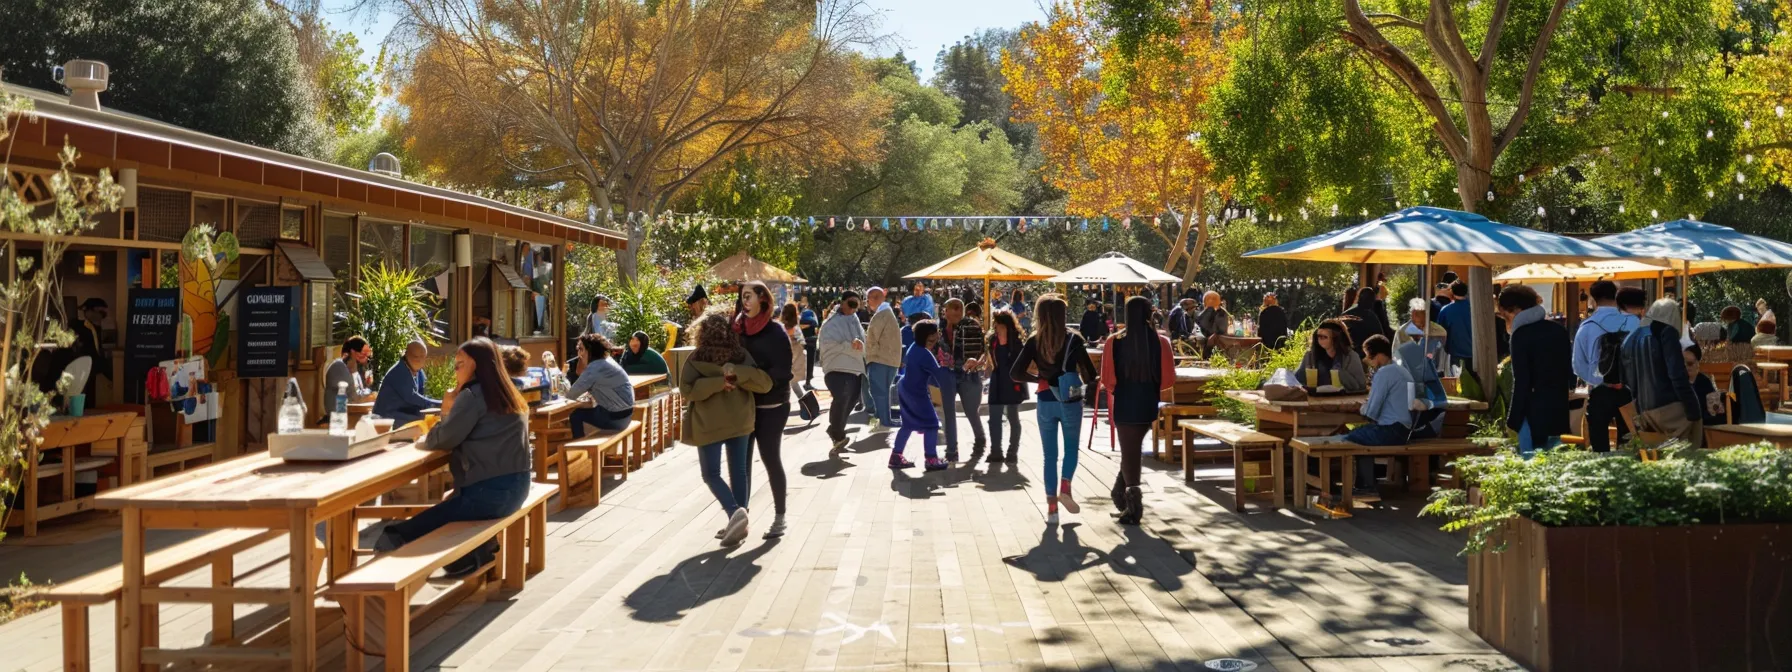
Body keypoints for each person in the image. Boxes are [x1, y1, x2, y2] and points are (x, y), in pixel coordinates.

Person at [374, 338, 531, 578]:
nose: (455, 370)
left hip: (488, 495)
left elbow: (441, 439)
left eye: (459, 364)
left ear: (476, 365)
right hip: (517, 489)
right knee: (449, 502)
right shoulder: (508, 392)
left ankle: (378, 596)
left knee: (395, 534)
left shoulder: (472, 396)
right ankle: (473, 554)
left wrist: (446, 409)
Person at [680, 310, 773, 546]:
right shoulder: (741, 355)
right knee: (739, 471)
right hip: (740, 420)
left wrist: (715, 383)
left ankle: (734, 515)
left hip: (708, 424)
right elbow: (764, 384)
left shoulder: (695, 358)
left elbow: (687, 391)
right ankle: (739, 521)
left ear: (701, 333)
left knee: (711, 474)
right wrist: (733, 377)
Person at [1012, 295, 1097, 525]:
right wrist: (1074, 377)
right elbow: (1090, 375)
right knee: (1070, 449)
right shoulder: (1074, 339)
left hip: (1045, 399)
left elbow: (1015, 373)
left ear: (1039, 314)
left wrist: (1040, 377)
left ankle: (1051, 508)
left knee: (1049, 456)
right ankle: (1066, 487)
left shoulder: (1034, 341)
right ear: (1062, 315)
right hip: (1070, 400)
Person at [1099, 296, 1176, 525]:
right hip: (1147, 401)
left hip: (1124, 400)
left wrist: (1121, 388)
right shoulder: (1161, 342)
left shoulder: (1114, 341)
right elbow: (1168, 378)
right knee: (1132, 449)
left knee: (1129, 451)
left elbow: (1107, 378)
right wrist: (1150, 388)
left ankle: (1133, 506)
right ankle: (1120, 493)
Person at [733, 281, 795, 538]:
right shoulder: (736, 329)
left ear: (763, 299)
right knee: (740, 464)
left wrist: (750, 376)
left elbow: (783, 372)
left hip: (772, 405)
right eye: (742, 297)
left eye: (749, 296)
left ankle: (780, 517)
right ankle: (739, 519)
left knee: (770, 458)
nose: (744, 301)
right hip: (742, 404)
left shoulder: (776, 331)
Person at [1338, 335, 1414, 500]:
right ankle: (1367, 483)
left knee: (1349, 438)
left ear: (1379, 355)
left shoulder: (1384, 373)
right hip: (1405, 429)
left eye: (1369, 356)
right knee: (1362, 434)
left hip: (1390, 429)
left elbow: (1371, 412)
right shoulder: (1402, 370)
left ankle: (1366, 486)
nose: (1368, 360)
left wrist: (1361, 406)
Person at [1501, 285, 1573, 456]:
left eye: (1505, 314)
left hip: (1531, 410)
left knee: (1530, 463)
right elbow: (1569, 372)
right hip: (1559, 409)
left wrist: (1513, 419)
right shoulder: (1558, 330)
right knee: (1554, 464)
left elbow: (1522, 380)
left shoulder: (1520, 335)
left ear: (1515, 309)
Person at [1621, 299, 1703, 447]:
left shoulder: (1631, 338)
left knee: (1657, 454)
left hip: (1645, 408)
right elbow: (1676, 374)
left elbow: (1629, 379)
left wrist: (1639, 409)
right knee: (1687, 451)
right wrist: (1693, 408)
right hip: (1671, 406)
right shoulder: (1666, 331)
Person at [1572, 282, 1641, 452]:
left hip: (1600, 391)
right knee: (1631, 443)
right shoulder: (1634, 322)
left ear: (1593, 299)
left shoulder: (1587, 326)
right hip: (1629, 391)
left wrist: (1597, 378)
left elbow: (1578, 365)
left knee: (1599, 444)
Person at [892, 320, 953, 471]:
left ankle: (896, 456)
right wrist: (948, 368)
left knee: (907, 424)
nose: (935, 340)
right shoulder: (925, 354)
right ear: (926, 336)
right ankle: (931, 459)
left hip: (905, 388)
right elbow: (938, 376)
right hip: (916, 393)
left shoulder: (914, 348)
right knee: (932, 424)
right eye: (933, 336)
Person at [935, 298, 987, 460]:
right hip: (946, 375)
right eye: (953, 308)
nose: (957, 312)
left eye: (959, 308)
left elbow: (983, 349)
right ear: (945, 311)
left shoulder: (972, 326)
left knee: (971, 411)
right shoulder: (938, 328)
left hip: (968, 375)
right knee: (947, 413)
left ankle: (980, 439)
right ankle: (952, 450)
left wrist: (977, 361)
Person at [561, 334, 634, 438]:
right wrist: (582, 358)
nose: (579, 353)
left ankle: (580, 451)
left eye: (581, 349)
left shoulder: (595, 367)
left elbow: (571, 395)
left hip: (616, 419)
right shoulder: (606, 361)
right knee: (586, 409)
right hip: (625, 415)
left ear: (590, 350)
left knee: (576, 415)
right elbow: (581, 374)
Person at [820, 291, 867, 452]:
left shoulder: (855, 320)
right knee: (842, 397)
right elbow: (828, 344)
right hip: (837, 368)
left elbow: (863, 339)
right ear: (843, 302)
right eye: (851, 304)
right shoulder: (831, 323)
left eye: (857, 305)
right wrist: (850, 346)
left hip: (855, 369)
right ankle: (837, 432)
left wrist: (860, 344)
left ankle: (836, 429)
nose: (854, 308)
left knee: (852, 399)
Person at [982, 309, 1026, 464]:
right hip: (997, 380)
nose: (995, 326)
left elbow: (1022, 363)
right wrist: (984, 368)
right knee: (994, 418)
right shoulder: (992, 339)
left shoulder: (1016, 341)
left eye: (998, 323)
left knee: (1013, 417)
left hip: (1012, 381)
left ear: (1006, 325)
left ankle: (1012, 452)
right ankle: (996, 451)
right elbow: (988, 358)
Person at [862, 287, 903, 432]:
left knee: (879, 392)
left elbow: (871, 341)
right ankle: (883, 418)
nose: (867, 303)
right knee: (883, 391)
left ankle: (885, 420)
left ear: (875, 298)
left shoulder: (881, 315)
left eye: (868, 299)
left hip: (880, 360)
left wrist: (866, 353)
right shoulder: (887, 313)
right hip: (889, 360)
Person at [372, 340, 441, 425]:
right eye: (416, 357)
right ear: (407, 355)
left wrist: (437, 407)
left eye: (423, 356)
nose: (420, 360)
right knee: (423, 422)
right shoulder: (399, 372)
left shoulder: (419, 372)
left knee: (433, 418)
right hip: (386, 417)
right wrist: (441, 404)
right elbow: (413, 398)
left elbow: (424, 395)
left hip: (404, 413)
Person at [1297, 319, 1367, 393]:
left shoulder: (1350, 356)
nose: (1320, 339)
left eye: (1324, 337)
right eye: (1318, 336)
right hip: (1316, 398)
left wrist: (1340, 373)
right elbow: (1297, 381)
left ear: (1336, 339)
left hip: (1343, 399)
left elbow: (1361, 385)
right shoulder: (1310, 356)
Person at [323, 336, 376, 423]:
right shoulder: (339, 367)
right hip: (337, 420)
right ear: (353, 352)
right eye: (363, 354)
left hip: (350, 416)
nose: (366, 359)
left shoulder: (354, 372)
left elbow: (359, 393)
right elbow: (354, 400)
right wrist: (372, 397)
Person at [68, 298, 111, 397]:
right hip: (84, 366)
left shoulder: (102, 328)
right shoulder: (78, 327)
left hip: (96, 367)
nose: (101, 315)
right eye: (99, 311)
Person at [1436, 282, 1475, 375]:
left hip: (1456, 355)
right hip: (1476, 355)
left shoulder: (1446, 310)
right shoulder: (1475, 308)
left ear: (1452, 292)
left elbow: (1439, 332)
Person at [1685, 344, 1729, 426]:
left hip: (1702, 419)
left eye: (1689, 363)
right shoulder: (1679, 380)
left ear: (1697, 364)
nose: (1686, 367)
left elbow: (1712, 407)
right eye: (1683, 363)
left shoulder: (1704, 381)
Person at [1398, 297, 1448, 367]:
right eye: (1416, 324)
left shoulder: (1440, 331)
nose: (1420, 328)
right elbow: (1398, 355)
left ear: (1427, 316)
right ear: (1411, 316)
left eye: (1422, 323)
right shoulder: (1403, 331)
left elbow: (1443, 356)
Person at [1342, 287, 1389, 358]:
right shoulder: (1370, 316)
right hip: (1365, 355)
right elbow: (1380, 338)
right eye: (1371, 301)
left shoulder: (1346, 314)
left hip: (1349, 355)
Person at [1195, 291, 1230, 358]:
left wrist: (1215, 334)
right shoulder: (1207, 311)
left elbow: (1222, 329)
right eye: (1209, 299)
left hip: (1219, 338)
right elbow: (1200, 323)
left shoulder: (1222, 313)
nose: (1211, 301)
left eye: (1214, 299)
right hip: (1206, 336)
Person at [780, 303, 808, 384]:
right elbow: (802, 343)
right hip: (796, 363)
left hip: (784, 364)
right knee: (794, 384)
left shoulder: (780, 328)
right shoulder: (796, 329)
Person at [798, 296, 821, 382]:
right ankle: (809, 377)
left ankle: (802, 377)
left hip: (803, 340)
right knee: (810, 360)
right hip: (812, 339)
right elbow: (816, 327)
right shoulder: (812, 314)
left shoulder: (800, 315)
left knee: (801, 360)